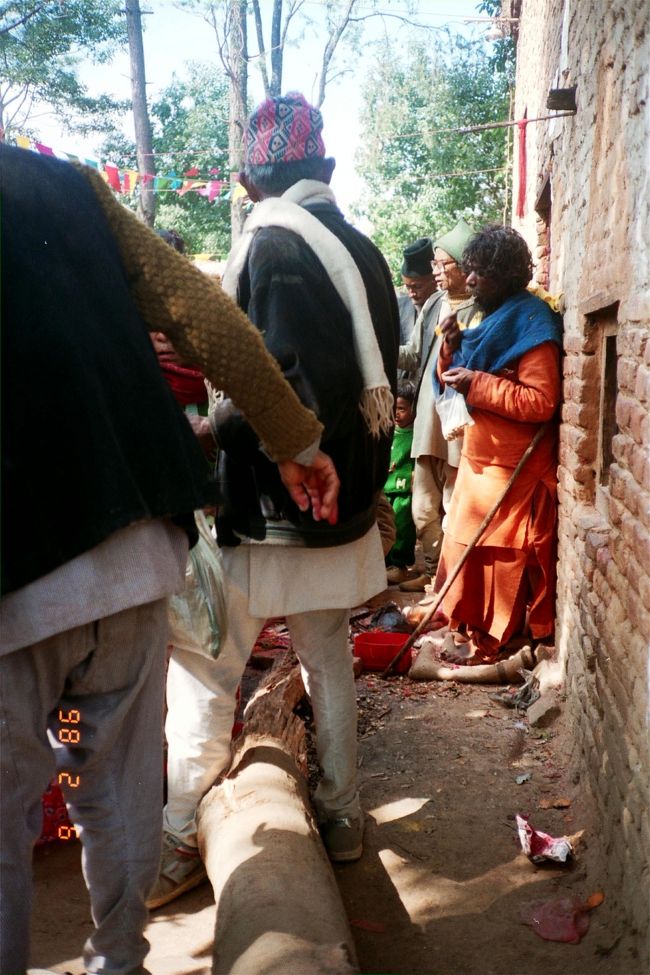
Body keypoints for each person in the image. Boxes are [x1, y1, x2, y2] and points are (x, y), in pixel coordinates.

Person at [0, 142, 338, 975]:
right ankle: (119, 960)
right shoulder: (62, 184)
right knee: (105, 782)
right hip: (130, 569)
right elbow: (201, 310)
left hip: (19, 588)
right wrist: (294, 436)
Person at [150, 91, 399, 909]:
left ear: (257, 182)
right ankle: (341, 816)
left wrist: (210, 435)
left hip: (274, 509)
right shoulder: (361, 250)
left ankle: (181, 836)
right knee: (326, 658)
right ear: (317, 169)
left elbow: (279, 389)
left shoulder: (274, 246)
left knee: (207, 669)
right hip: (342, 501)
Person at [436, 224, 563, 664]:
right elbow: (458, 381)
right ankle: (470, 630)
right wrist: (451, 348)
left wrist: (477, 382)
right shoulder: (488, 319)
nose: (469, 281)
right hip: (479, 463)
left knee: (501, 561)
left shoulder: (533, 322)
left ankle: (499, 641)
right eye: (469, 271)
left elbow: (541, 402)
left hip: (513, 473)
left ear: (507, 277)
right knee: (463, 547)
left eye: (480, 274)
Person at [397, 219, 479, 593]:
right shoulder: (433, 304)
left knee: (453, 505)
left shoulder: (480, 310)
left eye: (444, 265)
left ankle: (448, 582)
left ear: (465, 267)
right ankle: (432, 572)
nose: (438, 272)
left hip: (457, 424)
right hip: (427, 422)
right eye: (437, 265)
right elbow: (413, 355)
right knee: (423, 509)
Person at [384, 381, 417, 584]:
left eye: (402, 409)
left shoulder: (415, 436)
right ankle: (385, 563)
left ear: (413, 410)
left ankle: (400, 565)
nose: (397, 414)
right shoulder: (387, 431)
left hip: (404, 490)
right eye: (395, 408)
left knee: (402, 527)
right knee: (384, 525)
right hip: (385, 487)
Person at [397, 237, 438, 348]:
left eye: (417, 287)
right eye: (407, 287)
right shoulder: (398, 308)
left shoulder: (445, 307)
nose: (411, 294)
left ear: (434, 280)